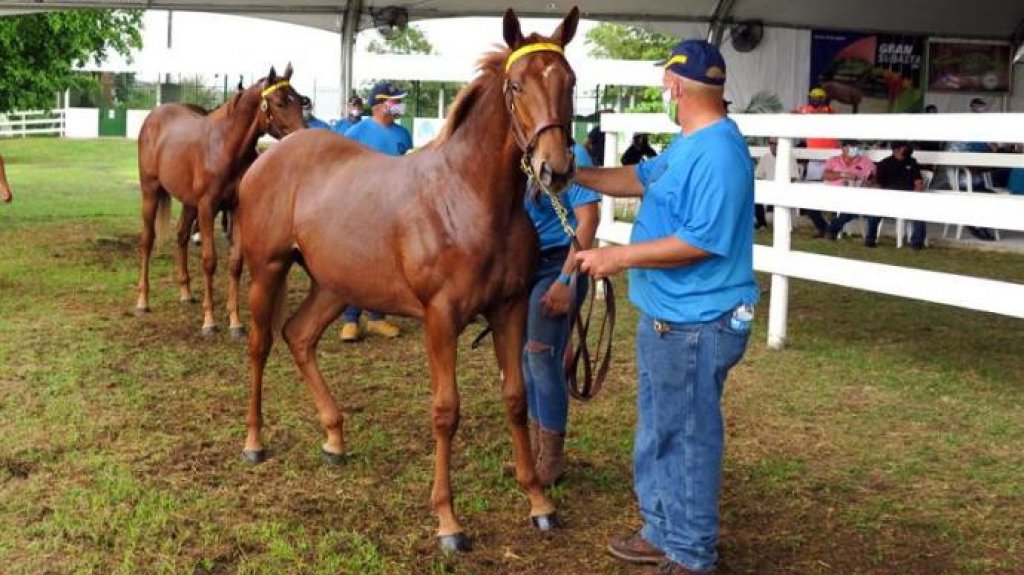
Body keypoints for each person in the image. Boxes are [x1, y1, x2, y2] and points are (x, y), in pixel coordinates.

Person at [574, 39, 758, 575]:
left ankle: (691, 551)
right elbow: (637, 178)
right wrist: (574, 176)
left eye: (665, 83)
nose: (664, 90)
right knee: (660, 426)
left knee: (689, 434)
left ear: (674, 86)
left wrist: (620, 257)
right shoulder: (688, 142)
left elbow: (701, 241)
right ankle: (662, 529)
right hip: (670, 318)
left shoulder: (720, 153)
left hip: (698, 321)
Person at [519, 140, 600, 487]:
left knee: (541, 357)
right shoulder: (522, 159)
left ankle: (551, 457)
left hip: (558, 265)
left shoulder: (571, 156)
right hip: (525, 267)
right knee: (526, 358)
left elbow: (587, 221)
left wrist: (567, 279)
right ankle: (537, 450)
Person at [338, 82, 413, 342]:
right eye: (397, 101)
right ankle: (350, 318)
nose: (401, 105)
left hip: (395, 210)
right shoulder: (355, 132)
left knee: (385, 263)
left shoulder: (404, 134)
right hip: (361, 208)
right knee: (357, 263)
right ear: (382, 105)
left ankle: (377, 318)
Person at [872, 141, 926, 249]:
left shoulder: (912, 162)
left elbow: (918, 183)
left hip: (909, 197)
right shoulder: (884, 163)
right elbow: (878, 184)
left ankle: (917, 243)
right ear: (896, 149)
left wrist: (915, 197)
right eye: (903, 148)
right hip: (889, 198)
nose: (906, 150)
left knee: (920, 212)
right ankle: (870, 239)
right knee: (873, 213)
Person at [824, 140, 877, 242]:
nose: (854, 149)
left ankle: (832, 229)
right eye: (851, 146)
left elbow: (873, 177)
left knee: (852, 207)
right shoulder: (834, 160)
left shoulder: (864, 161)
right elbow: (826, 175)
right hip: (835, 193)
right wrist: (842, 175)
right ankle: (829, 228)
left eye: (856, 146)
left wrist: (868, 181)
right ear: (843, 148)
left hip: (856, 194)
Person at [753, 138, 800, 229]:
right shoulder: (765, 157)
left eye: (776, 144)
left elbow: (793, 177)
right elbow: (758, 176)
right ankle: (762, 223)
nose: (774, 146)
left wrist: (780, 186)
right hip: (768, 188)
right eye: (771, 143)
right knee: (753, 194)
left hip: (784, 188)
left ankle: (787, 223)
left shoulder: (789, 157)